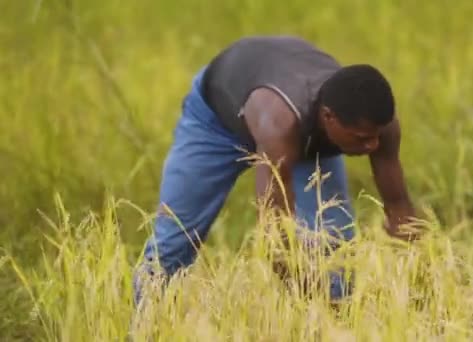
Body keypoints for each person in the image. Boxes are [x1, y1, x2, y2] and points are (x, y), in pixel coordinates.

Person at [133, 35, 420, 306]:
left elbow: (400, 208)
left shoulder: (378, 125)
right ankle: (144, 326)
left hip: (301, 127)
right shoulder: (281, 123)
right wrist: (309, 299)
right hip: (216, 121)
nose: (372, 145)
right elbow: (275, 238)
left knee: (333, 246)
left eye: (376, 136)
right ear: (328, 117)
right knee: (173, 242)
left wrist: (421, 270)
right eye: (361, 138)